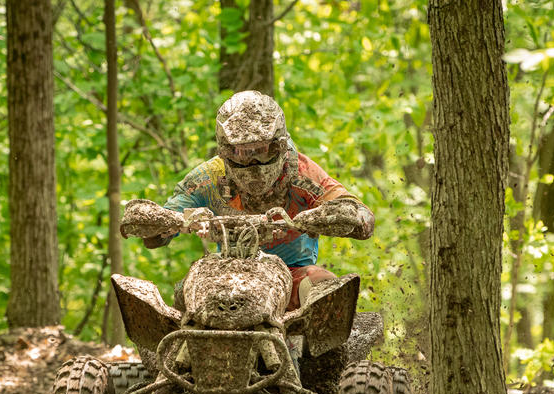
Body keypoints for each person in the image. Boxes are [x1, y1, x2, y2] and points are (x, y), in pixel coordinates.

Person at [123, 90, 374, 311]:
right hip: (225, 275)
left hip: (291, 276)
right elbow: (167, 217)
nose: (253, 162)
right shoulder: (210, 177)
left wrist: (341, 215)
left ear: (279, 145)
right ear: (225, 150)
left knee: (324, 287)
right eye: (242, 153)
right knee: (185, 292)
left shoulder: (302, 175)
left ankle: (326, 362)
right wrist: (161, 221)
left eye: (262, 149)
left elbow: (355, 209)